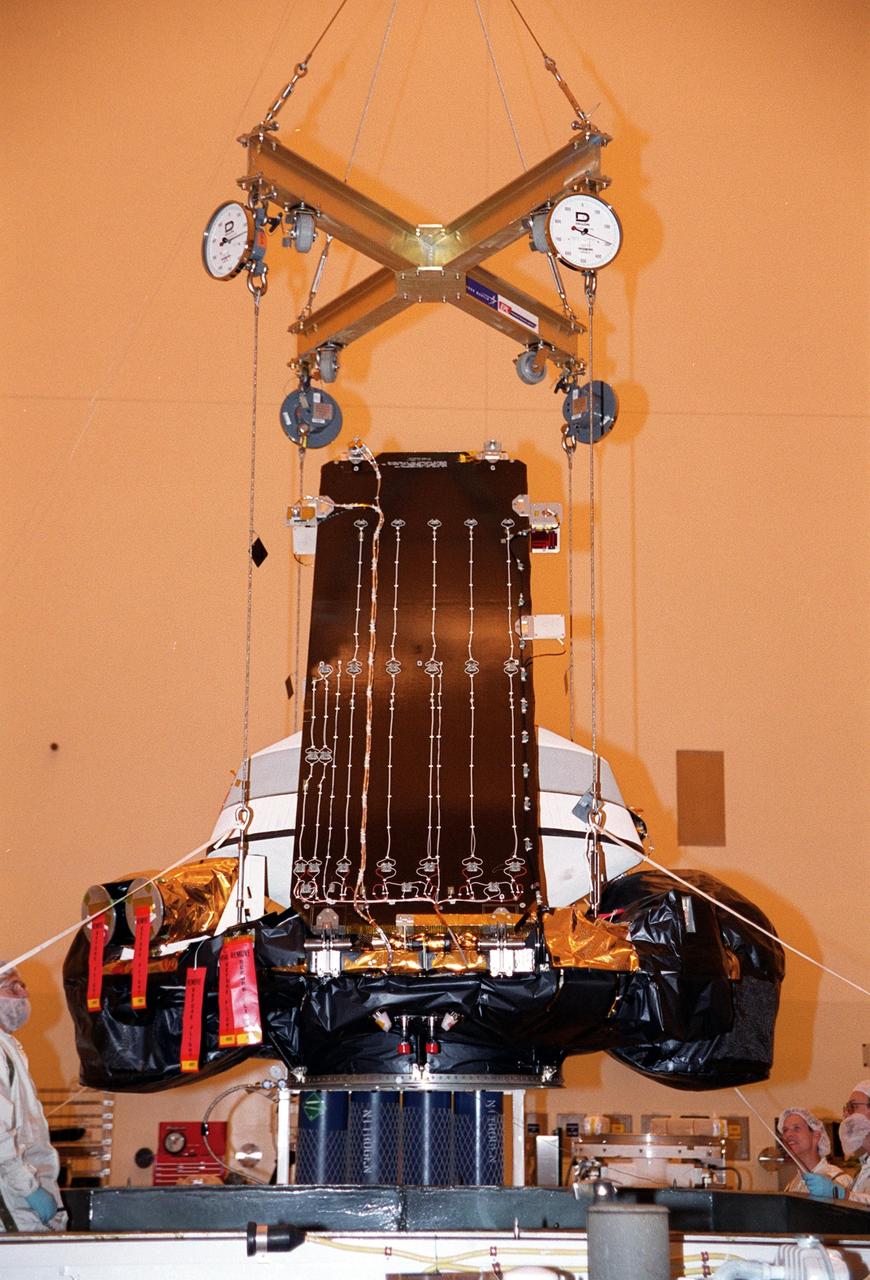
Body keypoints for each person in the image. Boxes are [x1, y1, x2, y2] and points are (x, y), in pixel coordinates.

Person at [0, 964, 66, 1232]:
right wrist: (28, 1188)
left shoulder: (8, 1047)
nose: (23, 994)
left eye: (22, 985)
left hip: (22, 1196)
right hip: (13, 1199)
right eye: (12, 987)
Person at [777, 1106, 852, 1199]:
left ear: (816, 1136)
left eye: (796, 1128)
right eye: (785, 1130)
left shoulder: (838, 1179)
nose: (788, 1135)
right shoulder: (792, 1185)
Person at [839, 1083, 870, 1206]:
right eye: (846, 1108)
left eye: (853, 1107)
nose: (846, 1115)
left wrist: (844, 1195)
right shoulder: (864, 1166)